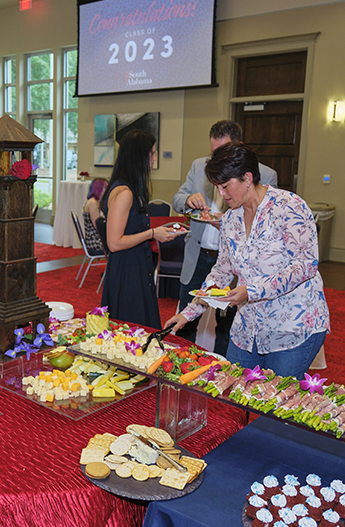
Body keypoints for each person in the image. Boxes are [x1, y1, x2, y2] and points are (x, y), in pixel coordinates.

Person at [165, 142, 329, 378]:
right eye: (217, 187)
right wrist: (187, 313)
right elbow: (220, 273)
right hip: (247, 328)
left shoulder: (289, 207)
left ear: (247, 177)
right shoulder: (231, 219)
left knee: (274, 407)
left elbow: (306, 265)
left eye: (225, 186)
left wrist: (251, 291)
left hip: (292, 327)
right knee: (232, 396)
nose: (221, 194)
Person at [171, 120, 278, 355]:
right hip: (199, 255)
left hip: (238, 264)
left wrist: (233, 227)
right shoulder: (199, 166)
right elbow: (177, 199)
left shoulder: (266, 176)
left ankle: (221, 371)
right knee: (187, 321)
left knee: (228, 325)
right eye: (213, 152)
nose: (217, 159)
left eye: (223, 151)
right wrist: (188, 202)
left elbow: (269, 233)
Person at [101, 130, 186, 328]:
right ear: (140, 156)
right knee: (131, 328)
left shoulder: (130, 188)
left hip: (136, 265)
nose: (155, 158)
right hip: (127, 270)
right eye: (153, 153)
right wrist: (153, 233)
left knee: (139, 327)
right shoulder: (124, 192)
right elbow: (114, 243)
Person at [82, 178, 107, 253]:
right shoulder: (92, 203)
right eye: (105, 187)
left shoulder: (96, 202)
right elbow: (97, 225)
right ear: (98, 188)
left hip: (95, 239)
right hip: (94, 242)